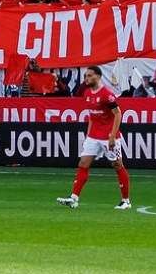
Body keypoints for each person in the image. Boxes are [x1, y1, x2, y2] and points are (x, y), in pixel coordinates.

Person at [56, 66, 131, 211]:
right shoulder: (87, 92)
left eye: (89, 76)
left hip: (109, 136)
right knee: (83, 163)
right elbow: (92, 115)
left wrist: (112, 136)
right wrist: (88, 135)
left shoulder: (107, 95)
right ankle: (74, 199)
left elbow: (118, 114)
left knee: (117, 165)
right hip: (94, 136)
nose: (86, 79)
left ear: (98, 76)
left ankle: (126, 200)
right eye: (85, 76)